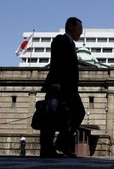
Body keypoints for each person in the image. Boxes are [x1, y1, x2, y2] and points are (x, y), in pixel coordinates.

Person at [40, 17, 85, 158]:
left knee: (74, 113)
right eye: (80, 29)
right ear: (71, 26)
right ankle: (49, 147)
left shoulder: (71, 44)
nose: (81, 33)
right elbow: (57, 63)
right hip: (59, 86)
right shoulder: (61, 40)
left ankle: (60, 143)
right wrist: (56, 82)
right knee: (52, 115)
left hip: (69, 88)